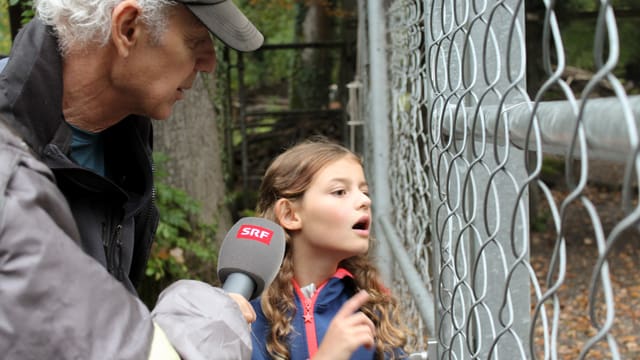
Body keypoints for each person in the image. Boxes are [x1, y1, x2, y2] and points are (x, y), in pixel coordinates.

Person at [0, 0, 262, 358]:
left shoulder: (125, 132)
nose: (210, 63)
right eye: (195, 41)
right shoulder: (6, 160)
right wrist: (195, 331)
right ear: (127, 28)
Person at [250, 138, 408, 359]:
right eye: (340, 192)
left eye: (364, 191)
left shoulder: (371, 305)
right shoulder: (249, 315)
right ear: (289, 214)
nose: (364, 201)